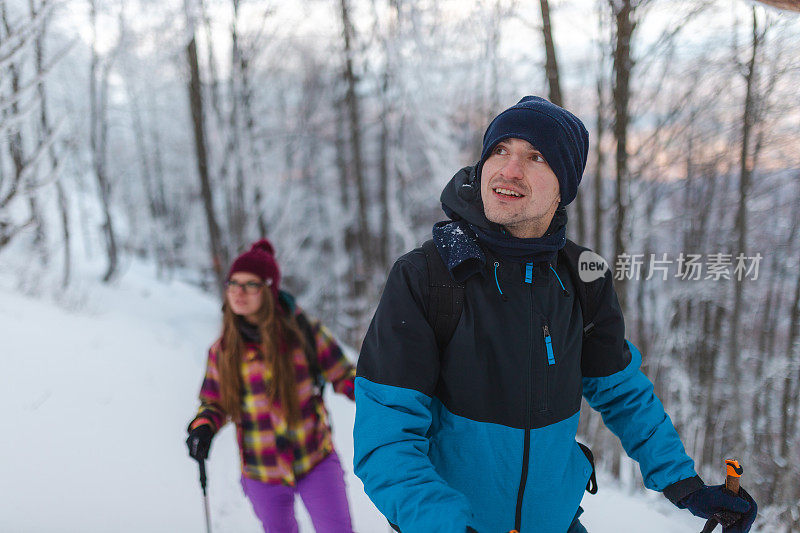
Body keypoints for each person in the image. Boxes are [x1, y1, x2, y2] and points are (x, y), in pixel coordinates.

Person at [352, 96, 757, 533]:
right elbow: (385, 440)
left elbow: (623, 392)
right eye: (499, 151)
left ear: (563, 185)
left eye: (535, 156)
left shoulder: (584, 277)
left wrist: (685, 484)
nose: (509, 170)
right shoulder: (427, 276)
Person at [186, 239, 356, 533]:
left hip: (315, 459)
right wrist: (204, 425)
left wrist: (384, 400)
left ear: (268, 289)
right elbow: (215, 403)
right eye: (233, 283)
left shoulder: (304, 333)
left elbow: (345, 376)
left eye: (250, 285)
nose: (239, 292)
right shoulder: (223, 350)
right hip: (261, 471)